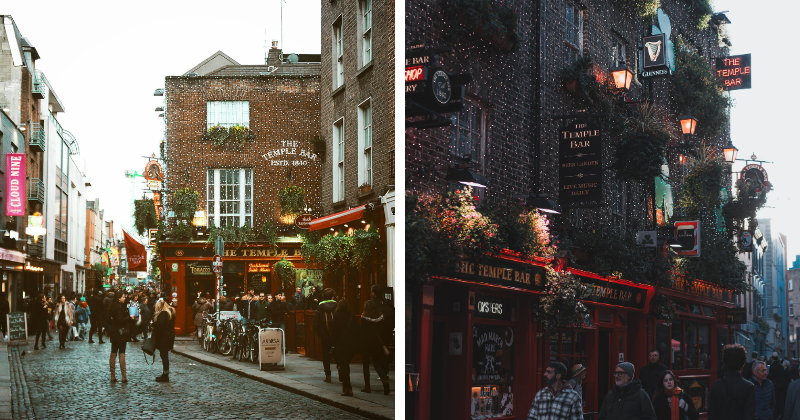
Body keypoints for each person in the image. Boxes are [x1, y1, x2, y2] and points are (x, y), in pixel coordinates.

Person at [708, 344, 756, 420]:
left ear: (725, 362)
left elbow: (712, 415)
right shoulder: (749, 387)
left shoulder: (716, 385)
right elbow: (749, 416)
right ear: (743, 363)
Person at [359, 300, 391, 395]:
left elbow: (362, 333)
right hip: (377, 345)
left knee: (366, 365)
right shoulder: (381, 318)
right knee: (377, 364)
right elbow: (385, 332)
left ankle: (367, 386)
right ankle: (384, 380)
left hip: (367, 345)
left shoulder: (364, 319)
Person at [331, 298, 360, 396]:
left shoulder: (337, 317)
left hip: (341, 345)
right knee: (345, 365)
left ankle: (348, 387)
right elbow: (357, 332)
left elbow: (334, 332)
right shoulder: (353, 317)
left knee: (343, 366)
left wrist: (333, 344)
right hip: (351, 345)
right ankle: (345, 386)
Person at [108, 291, 133, 383]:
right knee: (122, 354)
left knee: (113, 353)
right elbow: (120, 320)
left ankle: (113, 375)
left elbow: (110, 319)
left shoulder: (113, 307)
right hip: (121, 333)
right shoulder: (119, 308)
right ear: (118, 298)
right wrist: (129, 318)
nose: (124, 298)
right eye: (123, 297)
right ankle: (124, 376)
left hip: (114, 332)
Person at [313, 288, 337, 383]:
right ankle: (341, 372)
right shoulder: (337, 306)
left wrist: (320, 333)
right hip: (336, 334)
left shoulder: (319, 308)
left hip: (325, 335)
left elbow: (315, 323)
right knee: (338, 353)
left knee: (326, 355)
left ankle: (328, 375)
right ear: (332, 296)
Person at [152, 299, 176, 382]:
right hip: (168, 336)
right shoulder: (170, 312)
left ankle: (165, 375)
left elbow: (160, 323)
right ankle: (165, 373)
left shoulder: (163, 313)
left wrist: (152, 324)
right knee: (164, 355)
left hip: (163, 338)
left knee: (164, 356)